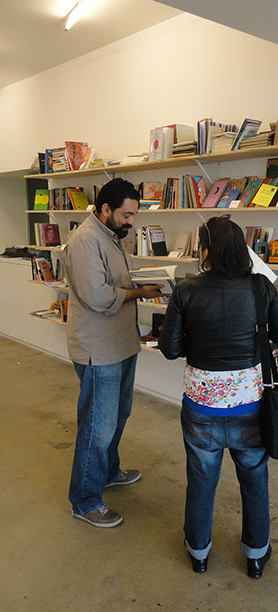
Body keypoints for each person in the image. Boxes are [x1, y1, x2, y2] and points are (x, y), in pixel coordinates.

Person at [158, 216, 278, 578]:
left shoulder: (186, 290)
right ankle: (255, 555)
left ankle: (199, 552)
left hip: (201, 405)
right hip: (250, 403)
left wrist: (196, 340)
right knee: (254, 478)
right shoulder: (261, 287)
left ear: (205, 251)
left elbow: (169, 350)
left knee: (201, 479)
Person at [64, 178, 163, 528]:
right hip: (98, 349)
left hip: (121, 343)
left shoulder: (111, 235)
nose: (131, 222)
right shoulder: (85, 241)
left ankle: (107, 472)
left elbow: (115, 282)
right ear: (105, 209)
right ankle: (85, 500)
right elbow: (99, 296)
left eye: (134, 215)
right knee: (97, 428)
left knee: (118, 416)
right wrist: (139, 293)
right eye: (126, 214)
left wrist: (140, 286)